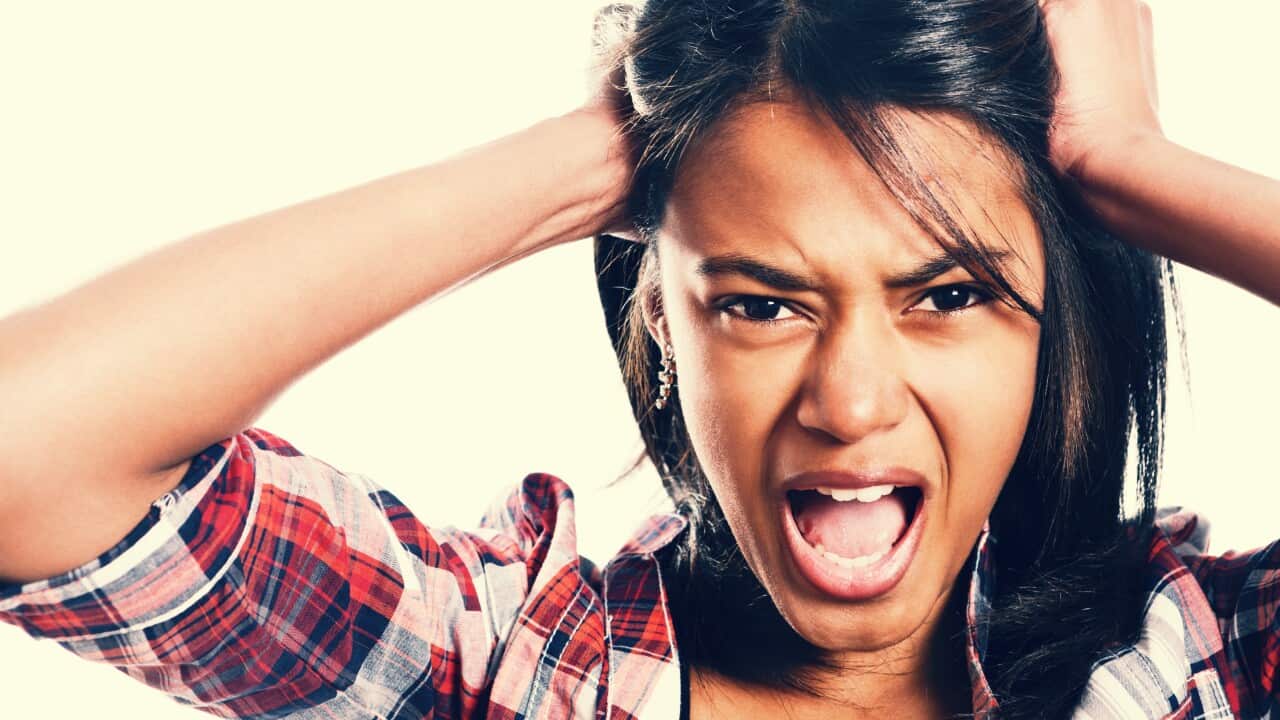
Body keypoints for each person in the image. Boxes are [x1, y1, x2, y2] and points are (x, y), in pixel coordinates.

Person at [1, 0, 1277, 718]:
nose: (848, 401)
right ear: (659, 320)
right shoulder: (495, 666)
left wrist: (1128, 165)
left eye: (945, 294)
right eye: (760, 304)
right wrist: (609, 153)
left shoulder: (1200, 663)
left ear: (1050, 320)